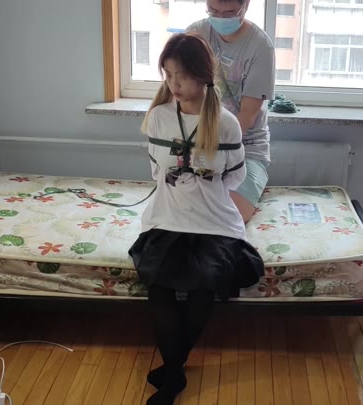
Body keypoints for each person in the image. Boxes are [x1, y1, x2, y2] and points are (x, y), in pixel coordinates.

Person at [128, 33, 264, 405]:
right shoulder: (158, 118)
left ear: (203, 76)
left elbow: (234, 178)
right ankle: (175, 374)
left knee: (205, 284)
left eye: (182, 76)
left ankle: (172, 373)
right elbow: (157, 171)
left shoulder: (227, 124)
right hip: (166, 218)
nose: (174, 84)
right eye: (169, 75)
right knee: (159, 286)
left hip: (214, 223)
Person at [187, 0, 275, 223]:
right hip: (198, 143)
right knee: (184, 210)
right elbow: (181, 91)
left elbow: (246, 117)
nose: (220, 18)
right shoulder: (196, 35)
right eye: (214, 11)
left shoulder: (260, 47)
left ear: (246, 5)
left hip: (247, 148)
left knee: (229, 216)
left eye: (229, 13)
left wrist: (214, 153)